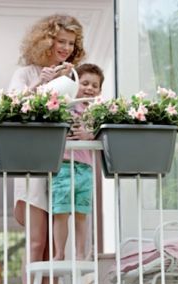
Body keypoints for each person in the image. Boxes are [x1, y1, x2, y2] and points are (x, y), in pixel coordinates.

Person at [8, 14, 85, 284]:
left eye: (70, 43)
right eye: (60, 41)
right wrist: (40, 84)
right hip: (33, 166)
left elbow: (80, 114)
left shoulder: (72, 76)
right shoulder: (27, 73)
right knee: (37, 241)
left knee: (55, 247)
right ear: (45, 40)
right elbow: (10, 108)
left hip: (63, 167)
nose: (65, 48)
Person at [52, 63, 104, 262]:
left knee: (82, 213)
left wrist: (89, 134)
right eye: (85, 83)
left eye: (95, 85)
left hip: (85, 168)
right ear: (75, 84)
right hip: (63, 165)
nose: (89, 88)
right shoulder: (66, 104)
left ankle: (81, 253)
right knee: (61, 212)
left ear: (99, 91)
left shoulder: (96, 113)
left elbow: (102, 137)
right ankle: (60, 253)